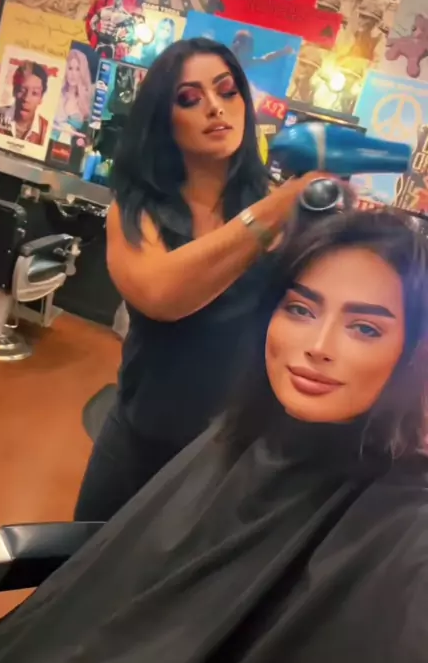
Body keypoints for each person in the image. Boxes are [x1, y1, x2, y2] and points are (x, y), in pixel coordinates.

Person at [0, 209, 428, 663]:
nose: (318, 346)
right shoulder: (242, 434)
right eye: (301, 310)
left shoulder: (403, 528)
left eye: (365, 328)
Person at [74, 37, 323, 522]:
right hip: (139, 444)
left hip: (230, 458)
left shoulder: (284, 207)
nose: (215, 107)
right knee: (83, 565)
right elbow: (160, 294)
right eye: (190, 98)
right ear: (164, 120)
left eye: (227, 91)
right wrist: (272, 212)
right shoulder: (137, 211)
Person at [0, 61, 49, 145]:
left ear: (41, 98)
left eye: (34, 93)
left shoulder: (45, 129)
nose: (26, 99)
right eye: (22, 90)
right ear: (14, 91)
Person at [54, 48, 93, 134]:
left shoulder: (85, 99)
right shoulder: (57, 93)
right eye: (70, 68)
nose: (73, 74)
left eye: (78, 69)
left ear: (82, 72)